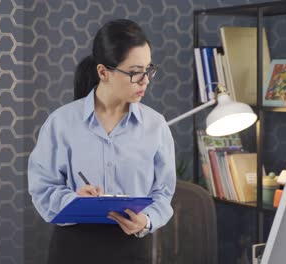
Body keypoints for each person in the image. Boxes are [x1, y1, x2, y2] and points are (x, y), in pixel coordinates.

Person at [28, 19, 176, 264]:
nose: (145, 80)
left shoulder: (156, 126)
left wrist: (147, 220)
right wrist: (74, 200)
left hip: (133, 250)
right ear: (103, 72)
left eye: (148, 69)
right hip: (73, 249)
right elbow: (42, 188)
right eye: (135, 72)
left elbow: (163, 192)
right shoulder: (61, 123)